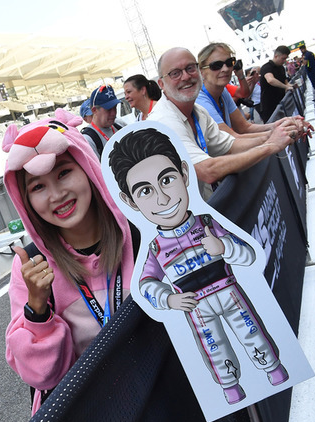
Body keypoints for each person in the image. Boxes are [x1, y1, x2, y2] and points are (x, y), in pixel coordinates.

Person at [109, 127, 288, 405]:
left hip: (229, 291)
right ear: (130, 202)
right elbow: (145, 284)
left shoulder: (207, 224)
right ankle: (230, 388)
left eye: (166, 180)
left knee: (253, 334)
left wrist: (224, 248)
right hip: (196, 307)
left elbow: (249, 256)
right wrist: (169, 298)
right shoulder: (155, 248)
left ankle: (273, 369)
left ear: (183, 173)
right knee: (214, 349)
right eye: (145, 191)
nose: (163, 198)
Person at [1, 108, 136, 414]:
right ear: (25, 201)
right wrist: (37, 309)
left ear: (87, 166)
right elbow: (41, 375)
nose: (57, 194)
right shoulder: (30, 267)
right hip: (94, 419)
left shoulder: (139, 234)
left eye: (64, 173)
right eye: (37, 186)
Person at [148, 47, 307, 194]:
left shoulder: (199, 111)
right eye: (175, 73)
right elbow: (208, 171)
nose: (186, 76)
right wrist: (271, 144)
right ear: (161, 84)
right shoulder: (163, 120)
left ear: (197, 71)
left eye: (190, 68)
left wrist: (282, 132)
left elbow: (230, 145)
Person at [196, 43, 309, 138]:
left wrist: (284, 124)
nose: (225, 69)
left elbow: (244, 127)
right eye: (216, 65)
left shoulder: (223, 91)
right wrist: (283, 132)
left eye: (230, 62)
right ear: (201, 71)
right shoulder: (200, 100)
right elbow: (231, 140)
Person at [81, 85, 125, 159]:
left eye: (115, 108)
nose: (113, 113)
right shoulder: (88, 139)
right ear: (94, 110)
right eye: (109, 109)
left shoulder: (119, 125)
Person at [259, 45, 294, 122]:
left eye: (285, 58)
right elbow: (270, 80)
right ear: (276, 56)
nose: (284, 61)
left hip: (281, 103)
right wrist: (285, 87)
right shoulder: (266, 67)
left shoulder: (281, 68)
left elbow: (286, 83)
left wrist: (292, 86)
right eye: (283, 58)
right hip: (269, 106)